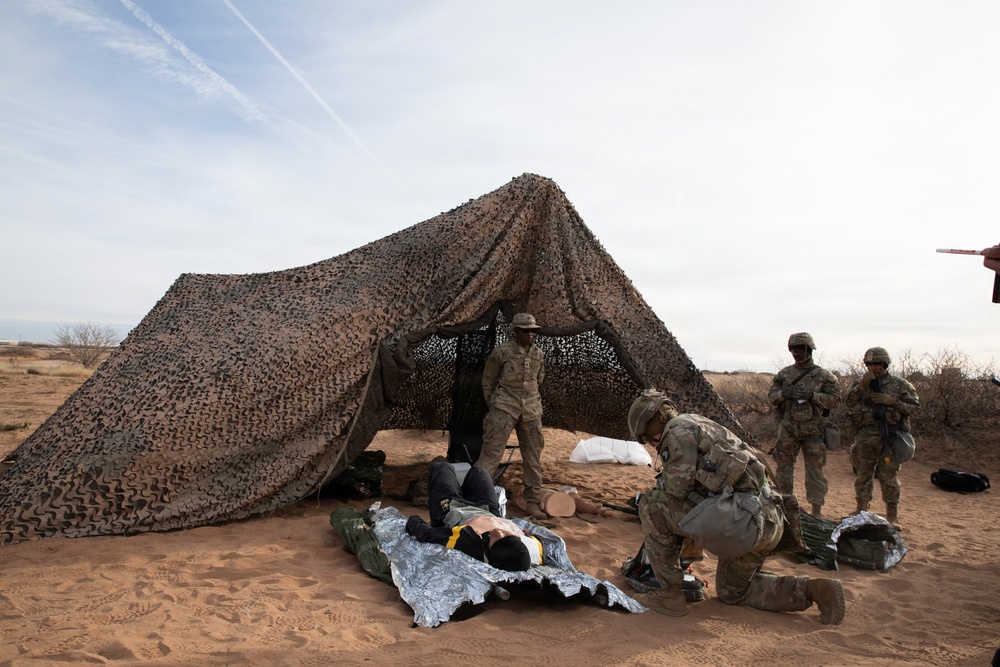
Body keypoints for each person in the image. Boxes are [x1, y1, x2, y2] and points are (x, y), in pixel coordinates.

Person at [626, 390, 846, 624]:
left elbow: (676, 490)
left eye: (649, 439)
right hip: (769, 522)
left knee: (651, 506)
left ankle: (669, 595)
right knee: (732, 591)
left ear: (653, 426)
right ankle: (816, 591)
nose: (652, 444)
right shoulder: (700, 423)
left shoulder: (677, 431)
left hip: (744, 522)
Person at [405, 461, 542, 571]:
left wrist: (415, 520)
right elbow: (541, 545)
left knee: (442, 467)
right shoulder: (527, 550)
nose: (499, 531)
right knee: (479, 472)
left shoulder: (468, 543)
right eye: (507, 535)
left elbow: (425, 533)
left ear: (489, 551)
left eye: (497, 539)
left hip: (453, 511)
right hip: (488, 511)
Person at [475, 312, 547, 521]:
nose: (530, 334)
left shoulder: (538, 354)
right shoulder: (501, 352)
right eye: (525, 331)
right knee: (491, 454)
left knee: (533, 459)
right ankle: (478, 499)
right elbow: (488, 381)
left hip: (531, 410)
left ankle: (532, 502)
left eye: (533, 331)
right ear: (515, 331)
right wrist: (495, 404)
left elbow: (539, 378)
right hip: (504, 408)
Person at [844, 347, 921, 531]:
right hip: (865, 436)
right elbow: (848, 402)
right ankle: (861, 510)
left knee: (889, 476)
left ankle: (892, 515)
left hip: (889, 436)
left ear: (885, 364)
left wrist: (893, 402)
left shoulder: (900, 385)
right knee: (863, 474)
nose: (873, 367)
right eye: (869, 364)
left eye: (877, 364)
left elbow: (916, 410)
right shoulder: (860, 383)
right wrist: (862, 386)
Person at [767, 332, 843, 518]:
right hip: (788, 430)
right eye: (793, 349)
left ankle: (816, 512)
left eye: (800, 349)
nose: (796, 353)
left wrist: (813, 396)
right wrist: (784, 394)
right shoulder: (784, 374)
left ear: (809, 349)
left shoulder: (824, 376)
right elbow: (772, 397)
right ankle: (785, 509)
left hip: (814, 431)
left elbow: (835, 400)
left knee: (815, 472)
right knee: (783, 470)